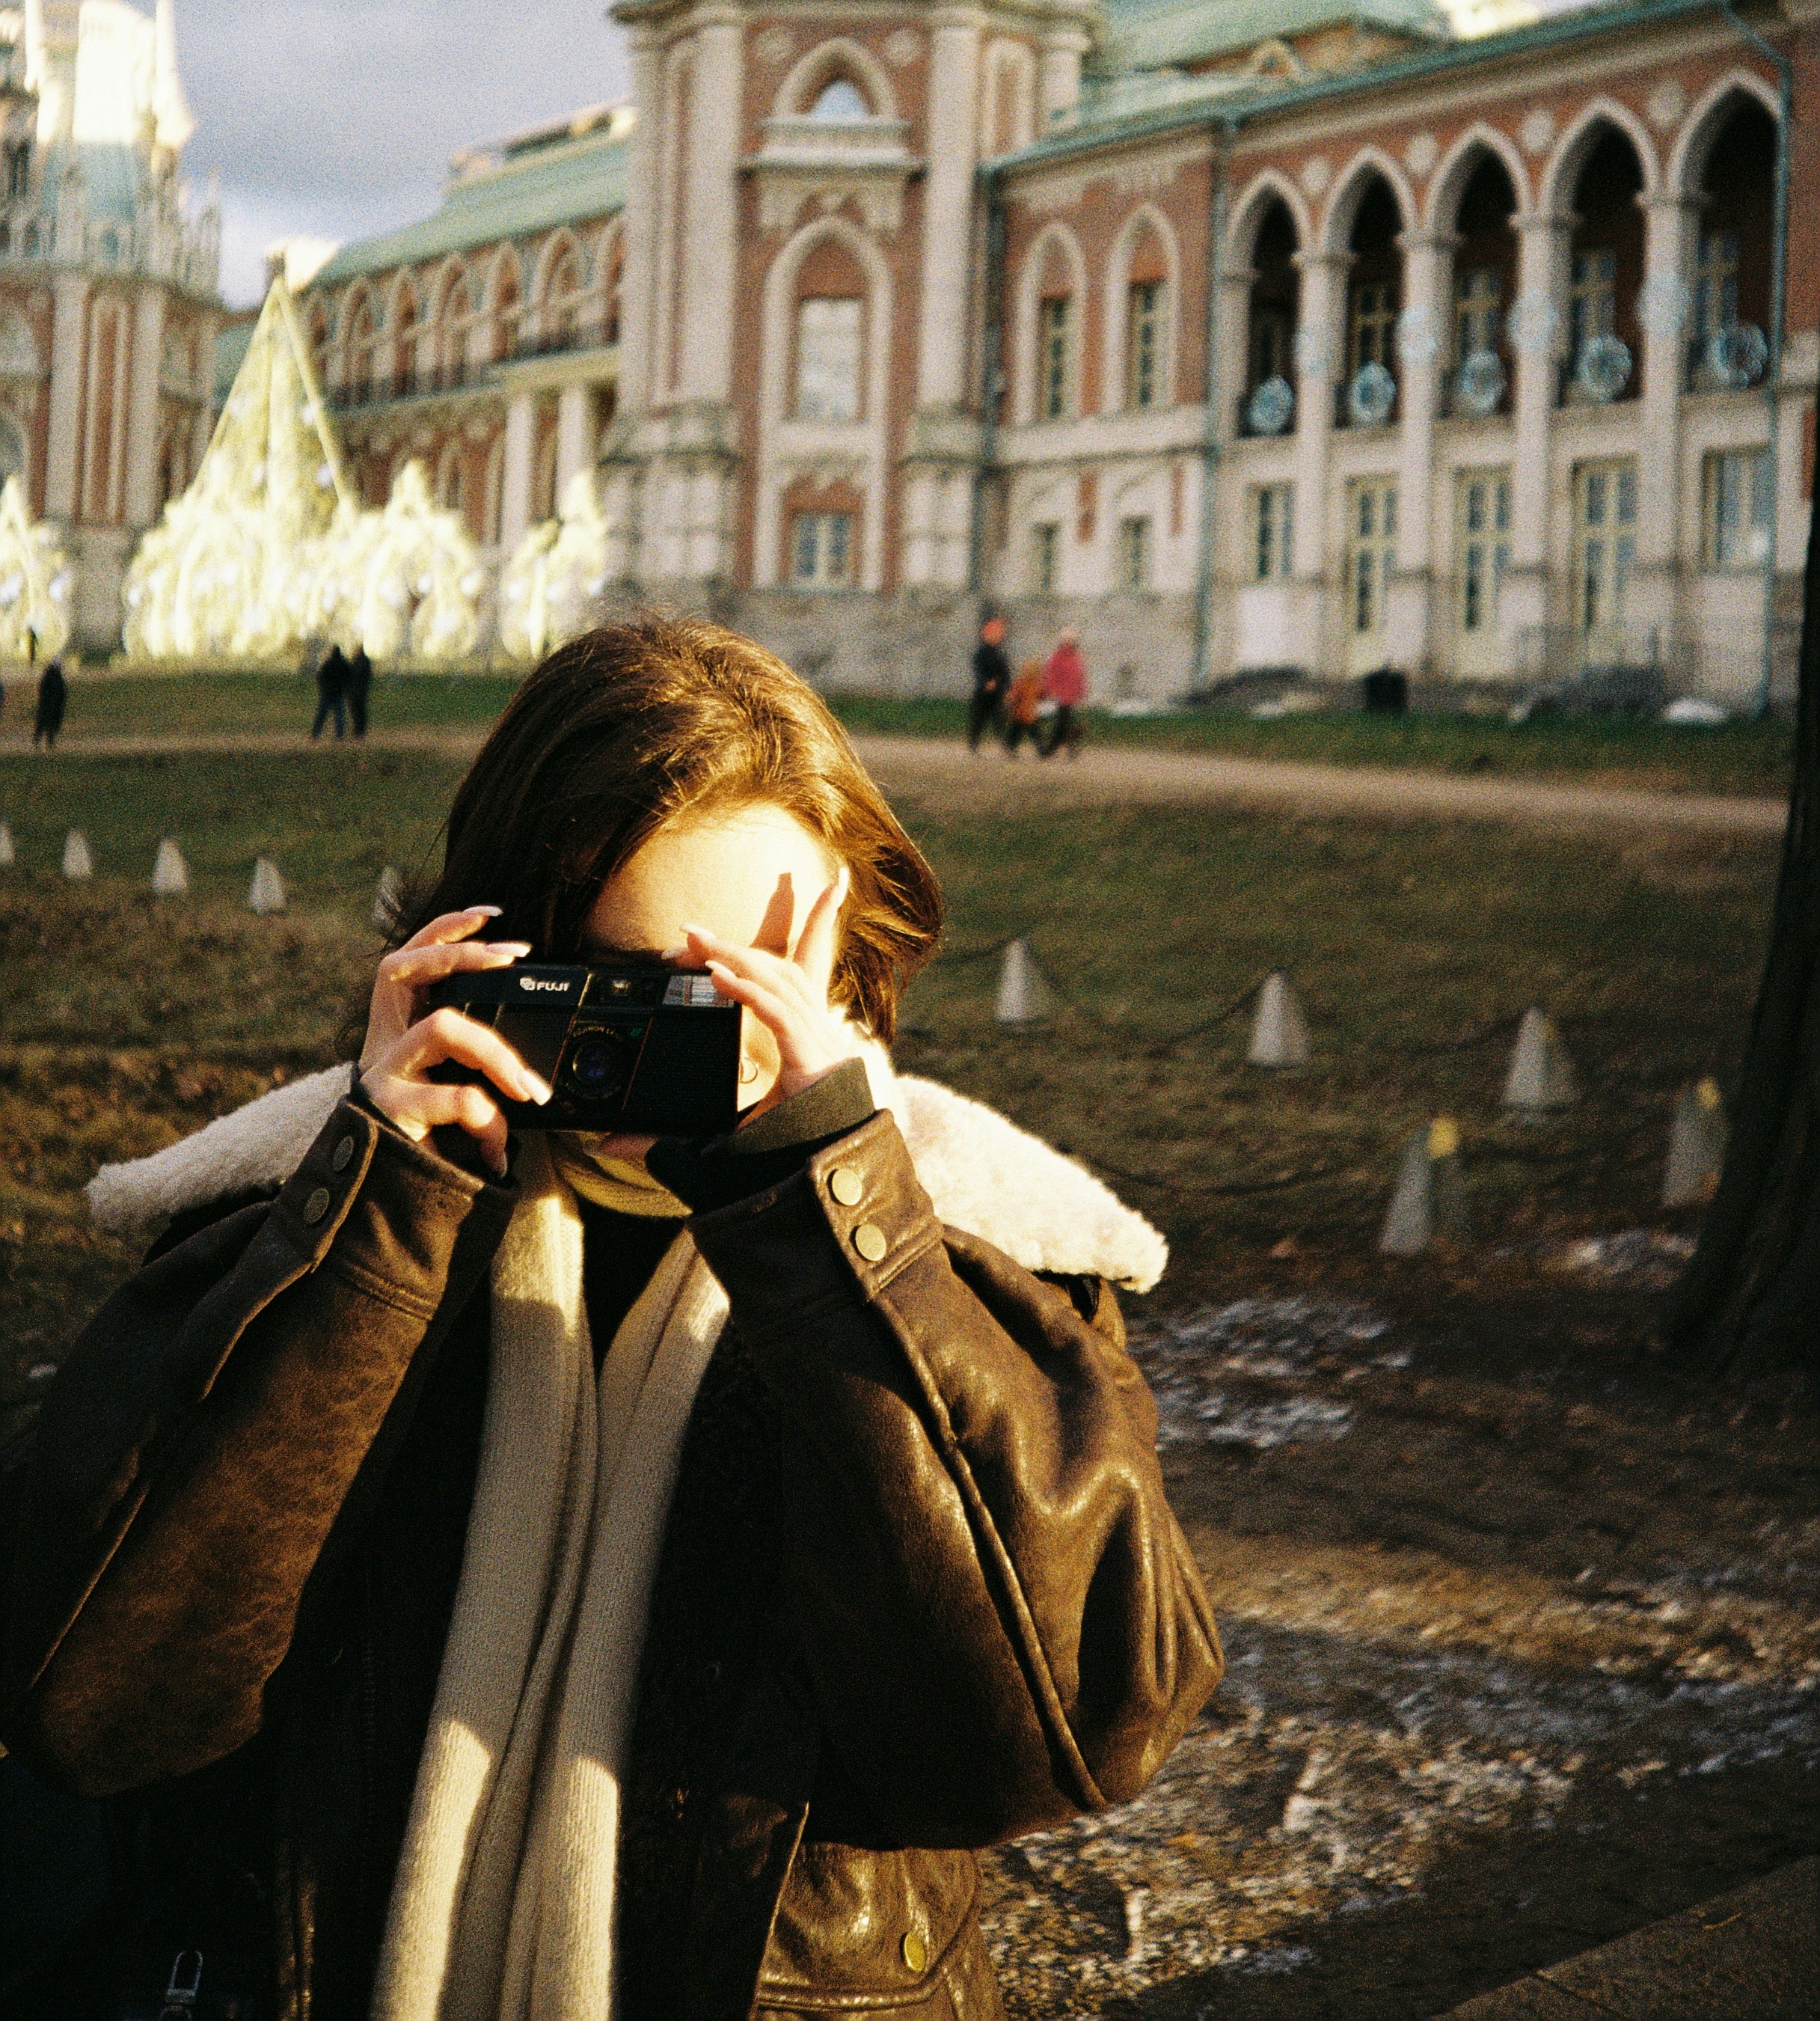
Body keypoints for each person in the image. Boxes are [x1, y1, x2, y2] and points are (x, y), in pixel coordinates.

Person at [0, 618, 1219, 2020]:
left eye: (761, 980)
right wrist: (368, 1220)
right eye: (638, 984)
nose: (706, 1041)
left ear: (852, 969)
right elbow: (87, 1698)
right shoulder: (321, 1213)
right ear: (495, 944)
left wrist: (835, 1239)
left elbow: (1045, 1746)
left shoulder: (973, 1258)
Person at [1038, 628, 1088, 759]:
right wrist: (1051, 689)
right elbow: (1050, 674)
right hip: (1061, 695)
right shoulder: (1056, 657)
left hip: (1072, 695)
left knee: (1067, 723)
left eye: (1071, 641)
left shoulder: (1077, 657)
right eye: (1067, 641)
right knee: (1063, 723)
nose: (1069, 643)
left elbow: (1080, 676)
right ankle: (1053, 750)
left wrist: (1082, 692)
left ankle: (1058, 750)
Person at [966, 614, 1011, 751]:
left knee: (999, 719)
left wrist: (1007, 687)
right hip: (982, 691)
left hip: (997, 692)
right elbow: (978, 670)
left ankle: (1005, 745)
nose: (995, 637)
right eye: (992, 635)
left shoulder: (1000, 654)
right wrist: (986, 682)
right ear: (985, 636)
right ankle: (973, 743)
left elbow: (1005, 672)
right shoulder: (980, 653)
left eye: (998, 635)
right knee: (978, 719)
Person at [1004, 655, 1044, 753]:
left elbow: (1041, 695)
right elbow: (1014, 693)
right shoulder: (1022, 682)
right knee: (1018, 730)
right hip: (1021, 710)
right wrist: (1011, 698)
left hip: (1029, 711)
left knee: (1032, 731)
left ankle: (1040, 748)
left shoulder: (1037, 684)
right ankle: (1010, 746)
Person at [310, 641, 350, 742]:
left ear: (332, 653)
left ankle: (315, 734)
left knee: (321, 715)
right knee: (339, 715)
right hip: (339, 693)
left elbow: (320, 676)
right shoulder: (344, 664)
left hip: (327, 693)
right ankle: (340, 736)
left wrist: (322, 688)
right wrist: (345, 687)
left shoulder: (328, 663)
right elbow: (351, 676)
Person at [31, 656, 66, 751]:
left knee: (50, 725)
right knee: (45, 724)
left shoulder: (52, 676)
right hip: (49, 705)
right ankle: (39, 742)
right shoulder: (52, 676)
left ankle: (48, 743)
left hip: (52, 705)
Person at [347, 643, 373, 741]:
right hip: (357, 690)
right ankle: (358, 729)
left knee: (359, 711)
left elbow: (359, 674)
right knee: (356, 711)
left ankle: (360, 730)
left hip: (359, 690)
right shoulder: (360, 661)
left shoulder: (361, 661)